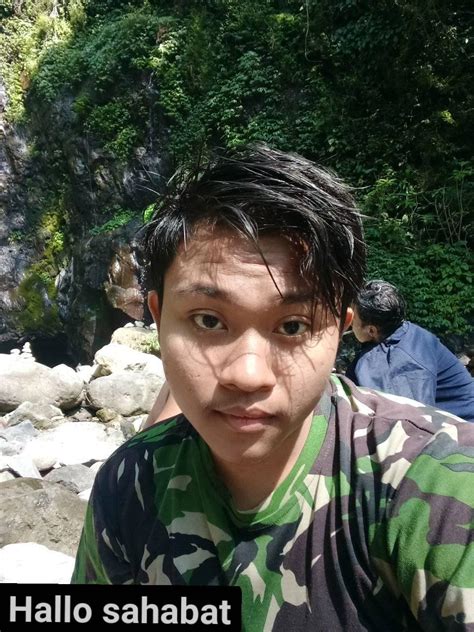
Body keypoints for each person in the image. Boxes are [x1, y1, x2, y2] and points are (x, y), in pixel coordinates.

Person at [71, 146, 474, 631]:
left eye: (293, 326)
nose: (248, 375)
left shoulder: (439, 487)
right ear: (158, 319)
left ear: (340, 329)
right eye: (208, 320)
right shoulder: (129, 483)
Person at [346, 280, 474, 422]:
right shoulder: (404, 333)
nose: (350, 323)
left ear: (371, 330)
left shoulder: (404, 362)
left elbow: (411, 423)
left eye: (354, 319)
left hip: (463, 428)